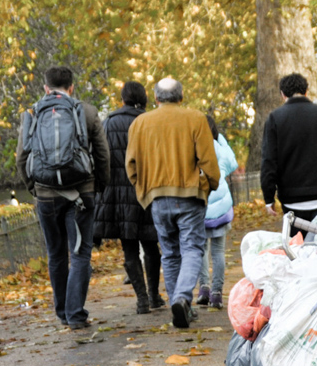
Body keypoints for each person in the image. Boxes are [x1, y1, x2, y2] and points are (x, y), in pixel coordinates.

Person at [16, 66, 110, 330]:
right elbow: (103, 155)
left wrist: (33, 188)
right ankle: (76, 314)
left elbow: (21, 157)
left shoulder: (32, 113)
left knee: (56, 255)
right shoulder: (87, 111)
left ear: (46, 88)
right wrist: (99, 186)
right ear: (71, 87)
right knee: (80, 254)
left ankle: (62, 312)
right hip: (82, 191)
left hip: (46, 194)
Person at [125, 76, 219, 329]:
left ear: (155, 98)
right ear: (181, 96)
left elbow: (131, 165)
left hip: (157, 196)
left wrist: (142, 188)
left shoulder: (140, 123)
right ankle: (182, 298)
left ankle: (179, 303)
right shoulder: (196, 118)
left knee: (169, 252)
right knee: (192, 249)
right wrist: (211, 183)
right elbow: (209, 161)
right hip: (189, 195)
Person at [93, 80, 163, 315]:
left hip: (117, 194)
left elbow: (100, 158)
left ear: (121, 99)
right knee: (152, 245)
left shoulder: (109, 123)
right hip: (146, 190)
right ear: (144, 99)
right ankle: (154, 296)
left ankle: (141, 299)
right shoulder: (150, 122)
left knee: (129, 248)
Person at [260, 73, 317, 223]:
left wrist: (268, 197)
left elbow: (269, 161)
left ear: (282, 94)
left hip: (291, 198)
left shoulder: (275, 118)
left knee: (297, 244)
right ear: (306, 91)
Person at [196, 114, 238, 310]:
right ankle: (217, 294)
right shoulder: (219, 148)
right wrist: (219, 138)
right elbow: (232, 164)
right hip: (220, 205)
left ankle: (203, 288)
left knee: (201, 250)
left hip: (200, 204)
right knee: (218, 251)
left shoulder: (194, 147)